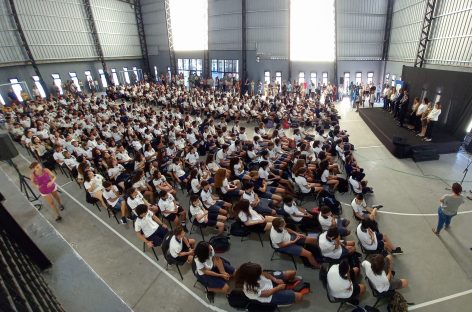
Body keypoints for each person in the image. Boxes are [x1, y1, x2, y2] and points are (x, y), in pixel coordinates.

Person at [234, 262, 305, 306]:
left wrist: (275, 279)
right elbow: (266, 294)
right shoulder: (249, 289)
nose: (260, 274)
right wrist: (278, 288)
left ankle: (289, 285)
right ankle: (285, 301)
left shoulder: (251, 269)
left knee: (292, 273)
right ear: (252, 278)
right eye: (258, 275)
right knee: (300, 296)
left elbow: (264, 273)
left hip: (269, 282)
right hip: (269, 296)